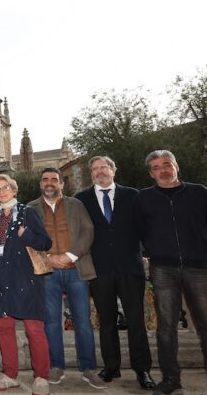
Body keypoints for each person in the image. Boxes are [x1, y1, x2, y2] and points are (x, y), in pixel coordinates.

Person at [136, 150, 207, 395]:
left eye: (166, 164)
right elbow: (138, 231)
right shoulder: (144, 198)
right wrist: (153, 250)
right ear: (152, 173)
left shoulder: (200, 192)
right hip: (163, 268)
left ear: (176, 166)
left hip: (199, 268)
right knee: (166, 327)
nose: (163, 169)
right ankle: (170, 380)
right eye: (157, 167)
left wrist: (205, 250)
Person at [74, 156, 155, 390]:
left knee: (136, 320)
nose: (100, 171)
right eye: (95, 169)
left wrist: (145, 252)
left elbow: (145, 227)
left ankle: (143, 370)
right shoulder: (82, 199)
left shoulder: (132, 195)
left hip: (130, 267)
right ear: (91, 174)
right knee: (106, 321)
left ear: (113, 170)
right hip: (99, 270)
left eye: (104, 167)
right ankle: (111, 366)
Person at [28, 167, 102, 389]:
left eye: (54, 179)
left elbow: (87, 232)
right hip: (48, 272)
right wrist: (50, 258)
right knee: (51, 321)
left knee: (83, 321)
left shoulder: (76, 204)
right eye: (45, 179)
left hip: (76, 269)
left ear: (62, 184)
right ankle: (56, 366)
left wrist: (69, 255)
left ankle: (88, 368)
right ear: (40, 184)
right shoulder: (31, 208)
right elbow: (29, 238)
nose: (49, 183)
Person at [0, 174, 52, 395]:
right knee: (4, 328)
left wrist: (27, 234)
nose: (1, 192)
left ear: (14, 189)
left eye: (5, 188)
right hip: (0, 281)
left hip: (25, 279)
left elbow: (45, 242)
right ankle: (10, 375)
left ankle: (41, 376)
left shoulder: (27, 213)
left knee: (34, 329)